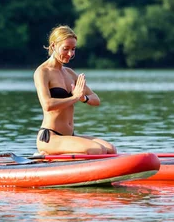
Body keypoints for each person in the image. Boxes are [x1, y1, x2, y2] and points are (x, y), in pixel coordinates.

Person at [34, 25, 116, 155]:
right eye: (66, 49)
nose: (70, 54)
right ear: (54, 46)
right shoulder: (43, 72)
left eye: (73, 49)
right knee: (97, 150)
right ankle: (48, 155)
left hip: (69, 136)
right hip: (51, 137)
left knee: (111, 149)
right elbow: (47, 105)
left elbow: (96, 99)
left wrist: (84, 98)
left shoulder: (70, 73)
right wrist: (74, 97)